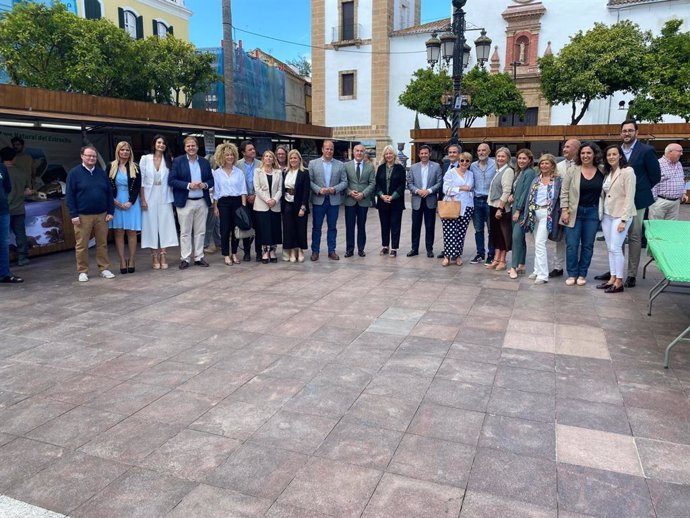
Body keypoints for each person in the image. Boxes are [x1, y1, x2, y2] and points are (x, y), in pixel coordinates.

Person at [596, 120, 661, 288]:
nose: (627, 133)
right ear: (621, 133)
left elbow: (655, 176)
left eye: (630, 130)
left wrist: (637, 191)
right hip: (616, 202)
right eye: (624, 131)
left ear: (636, 132)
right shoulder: (616, 151)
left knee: (633, 236)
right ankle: (615, 273)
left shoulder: (646, 150)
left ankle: (631, 274)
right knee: (616, 241)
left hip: (637, 201)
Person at [65, 145, 115, 282]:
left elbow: (109, 193)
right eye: (88, 155)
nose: (91, 158)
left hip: (102, 214)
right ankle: (82, 271)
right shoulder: (74, 173)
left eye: (93, 156)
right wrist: (73, 214)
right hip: (82, 215)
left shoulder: (101, 173)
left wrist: (111, 211)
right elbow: (69, 196)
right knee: (82, 245)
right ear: (82, 156)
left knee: (102, 243)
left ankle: (104, 268)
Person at [560, 142, 604, 286]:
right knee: (572, 245)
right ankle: (572, 273)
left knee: (588, 245)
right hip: (574, 212)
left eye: (589, 153)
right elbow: (564, 191)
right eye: (583, 153)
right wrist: (564, 210)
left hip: (592, 212)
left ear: (594, 154)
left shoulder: (602, 171)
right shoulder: (573, 170)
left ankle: (582, 273)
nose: (585, 156)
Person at [169, 136, 214, 270]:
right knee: (185, 232)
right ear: (185, 148)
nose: (191, 148)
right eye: (188, 146)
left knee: (200, 231)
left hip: (201, 201)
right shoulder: (178, 161)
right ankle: (185, 258)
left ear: (197, 147)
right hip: (185, 201)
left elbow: (211, 180)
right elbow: (171, 181)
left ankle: (199, 257)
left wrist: (205, 185)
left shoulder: (205, 162)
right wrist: (188, 185)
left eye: (193, 145)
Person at [598, 145, 636, 293]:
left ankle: (619, 281)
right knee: (610, 248)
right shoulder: (608, 172)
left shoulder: (628, 172)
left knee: (615, 247)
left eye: (614, 154)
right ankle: (612, 278)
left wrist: (624, 220)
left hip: (621, 215)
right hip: (607, 214)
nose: (611, 157)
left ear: (620, 155)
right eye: (609, 155)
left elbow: (629, 196)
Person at [521, 154, 561, 285]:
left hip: (547, 214)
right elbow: (529, 198)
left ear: (552, 165)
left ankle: (543, 275)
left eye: (547, 163)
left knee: (540, 243)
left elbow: (559, 199)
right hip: (534, 213)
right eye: (542, 163)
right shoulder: (536, 180)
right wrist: (527, 216)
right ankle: (537, 270)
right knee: (536, 243)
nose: (544, 165)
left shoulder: (557, 180)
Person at [139, 135, 178, 270]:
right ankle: (154, 255)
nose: (161, 145)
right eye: (159, 142)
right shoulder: (145, 159)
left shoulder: (169, 160)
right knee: (150, 226)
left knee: (165, 225)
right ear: (154, 144)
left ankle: (163, 255)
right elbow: (141, 180)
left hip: (164, 195)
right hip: (149, 196)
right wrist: (142, 199)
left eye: (163, 143)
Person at [309, 140, 347, 261]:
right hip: (318, 199)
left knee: (332, 227)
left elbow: (345, 182)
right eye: (327, 148)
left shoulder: (340, 165)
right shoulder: (313, 164)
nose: (329, 151)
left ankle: (332, 251)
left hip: (333, 200)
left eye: (331, 149)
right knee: (316, 227)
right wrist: (318, 190)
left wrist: (334, 189)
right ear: (322, 149)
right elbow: (309, 181)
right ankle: (315, 251)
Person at [108, 141, 142, 274]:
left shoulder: (135, 167)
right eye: (122, 150)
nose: (125, 152)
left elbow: (138, 186)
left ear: (130, 152)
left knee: (132, 232)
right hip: (116, 201)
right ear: (118, 151)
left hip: (131, 202)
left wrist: (131, 202)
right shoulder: (111, 166)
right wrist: (113, 200)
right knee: (119, 232)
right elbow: (107, 185)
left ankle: (132, 260)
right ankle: (122, 260)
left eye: (127, 150)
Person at [211, 142, 247, 266]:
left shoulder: (239, 172)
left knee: (235, 230)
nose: (230, 157)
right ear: (222, 156)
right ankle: (226, 255)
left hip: (237, 202)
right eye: (227, 155)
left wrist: (243, 206)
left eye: (232, 155)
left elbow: (243, 190)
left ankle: (234, 253)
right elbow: (216, 191)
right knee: (225, 229)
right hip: (223, 203)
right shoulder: (217, 173)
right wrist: (215, 207)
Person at [551, 138, 580, 277]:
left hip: (576, 209)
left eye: (568, 147)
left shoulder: (582, 166)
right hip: (560, 208)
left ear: (576, 149)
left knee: (574, 241)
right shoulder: (559, 166)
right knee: (559, 239)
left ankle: (574, 269)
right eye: (564, 147)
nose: (564, 149)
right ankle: (558, 267)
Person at [407, 144, 442, 258]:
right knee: (415, 226)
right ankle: (414, 248)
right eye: (421, 153)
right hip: (417, 200)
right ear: (419, 155)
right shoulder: (413, 167)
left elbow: (439, 182)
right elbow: (409, 183)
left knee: (430, 226)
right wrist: (417, 191)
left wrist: (429, 190)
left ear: (429, 154)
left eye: (426, 153)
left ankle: (429, 249)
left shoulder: (436, 166)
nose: (424, 155)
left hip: (430, 199)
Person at [440, 151, 474, 266]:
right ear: (458, 162)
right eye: (462, 160)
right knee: (449, 232)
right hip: (452, 205)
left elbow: (470, 188)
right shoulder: (451, 173)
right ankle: (447, 256)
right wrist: (460, 188)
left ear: (470, 162)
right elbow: (446, 189)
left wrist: (463, 189)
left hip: (466, 206)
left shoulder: (471, 174)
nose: (464, 163)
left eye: (467, 161)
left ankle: (458, 255)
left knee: (461, 232)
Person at [508, 149, 537, 279]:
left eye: (524, 158)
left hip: (520, 211)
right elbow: (517, 190)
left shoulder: (530, 172)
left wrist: (518, 210)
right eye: (519, 158)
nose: (521, 161)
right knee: (520, 238)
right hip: (515, 208)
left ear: (530, 160)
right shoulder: (520, 172)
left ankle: (513, 267)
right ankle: (522, 264)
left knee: (515, 238)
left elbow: (526, 193)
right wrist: (512, 195)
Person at [343, 143, 376, 258]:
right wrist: (349, 192)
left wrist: (364, 194)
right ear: (353, 152)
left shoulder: (369, 167)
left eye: (362, 151)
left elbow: (372, 183)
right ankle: (349, 249)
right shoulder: (346, 166)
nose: (359, 153)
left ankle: (361, 249)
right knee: (349, 226)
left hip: (363, 201)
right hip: (350, 200)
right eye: (357, 151)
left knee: (361, 226)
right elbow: (343, 182)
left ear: (364, 153)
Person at [2, 147, 32, 267]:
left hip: (4, 210)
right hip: (19, 209)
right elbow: (28, 191)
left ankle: (4, 263)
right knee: (20, 234)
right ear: (14, 158)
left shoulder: (1, 171)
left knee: (3, 237)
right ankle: (22, 258)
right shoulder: (21, 172)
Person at [375, 145, 406, 257]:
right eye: (386, 154)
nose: (388, 155)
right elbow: (377, 184)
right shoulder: (381, 168)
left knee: (395, 225)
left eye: (390, 153)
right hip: (382, 201)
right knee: (384, 225)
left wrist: (392, 196)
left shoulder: (400, 168)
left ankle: (394, 248)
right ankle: (385, 246)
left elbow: (402, 185)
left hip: (396, 202)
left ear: (394, 155)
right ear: (384, 155)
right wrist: (382, 196)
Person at [486, 147, 514, 271]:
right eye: (498, 156)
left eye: (503, 156)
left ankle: (502, 259)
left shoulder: (508, 171)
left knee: (503, 235)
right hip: (493, 205)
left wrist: (500, 208)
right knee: (495, 234)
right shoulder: (498, 170)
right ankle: (496, 258)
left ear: (508, 158)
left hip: (501, 207)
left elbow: (507, 190)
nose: (500, 158)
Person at [469, 143, 496, 264]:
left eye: (484, 150)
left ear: (489, 151)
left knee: (492, 229)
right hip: (476, 200)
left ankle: (491, 254)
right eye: (479, 150)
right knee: (478, 229)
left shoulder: (495, 164)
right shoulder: (473, 165)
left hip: (490, 201)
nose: (481, 152)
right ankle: (480, 253)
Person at [254, 150, 283, 263]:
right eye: (266, 156)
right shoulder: (258, 171)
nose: (268, 158)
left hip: (275, 205)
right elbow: (257, 188)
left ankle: (273, 250)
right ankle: (265, 250)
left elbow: (280, 189)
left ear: (273, 159)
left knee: (274, 228)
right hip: (262, 205)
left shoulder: (278, 172)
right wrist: (267, 200)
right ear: (263, 159)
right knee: (263, 229)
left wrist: (275, 200)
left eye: (271, 156)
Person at [282, 149, 310, 262]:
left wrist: (303, 207)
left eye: (295, 158)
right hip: (287, 202)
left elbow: (306, 191)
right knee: (289, 229)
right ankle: (292, 251)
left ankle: (300, 251)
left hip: (299, 204)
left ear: (299, 159)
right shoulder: (285, 172)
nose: (293, 160)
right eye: (291, 158)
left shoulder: (304, 172)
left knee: (300, 228)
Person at [1, 154, 23, 283]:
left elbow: (7, 188)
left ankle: (4, 273)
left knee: (3, 243)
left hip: (2, 211)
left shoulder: (2, 168)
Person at [649, 143, 686, 220]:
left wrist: (683, 193)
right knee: (656, 227)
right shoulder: (657, 164)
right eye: (680, 151)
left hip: (675, 203)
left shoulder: (679, 164)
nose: (681, 154)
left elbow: (681, 179)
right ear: (670, 152)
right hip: (660, 201)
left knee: (671, 228)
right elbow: (653, 183)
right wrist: (654, 201)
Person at [237, 140, 259, 262]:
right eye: (250, 149)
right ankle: (246, 252)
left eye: (253, 149)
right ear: (243, 152)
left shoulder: (260, 164)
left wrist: (255, 195)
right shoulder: (237, 165)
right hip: (243, 201)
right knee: (246, 226)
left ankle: (259, 252)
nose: (253, 151)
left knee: (258, 227)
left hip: (258, 200)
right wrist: (245, 197)